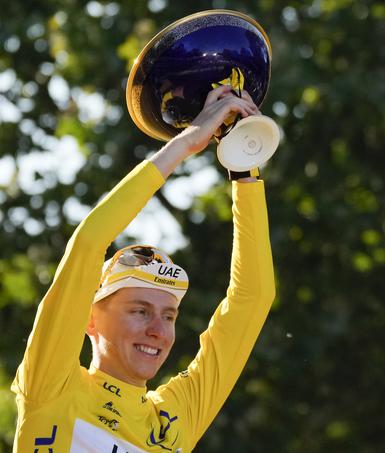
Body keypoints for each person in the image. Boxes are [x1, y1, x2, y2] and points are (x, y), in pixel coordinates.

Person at [11, 85, 275, 452]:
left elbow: (253, 298)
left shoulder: (174, 417)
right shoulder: (52, 385)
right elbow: (89, 243)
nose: (158, 331)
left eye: (168, 316)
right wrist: (186, 144)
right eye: (140, 310)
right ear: (90, 319)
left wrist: (244, 163)